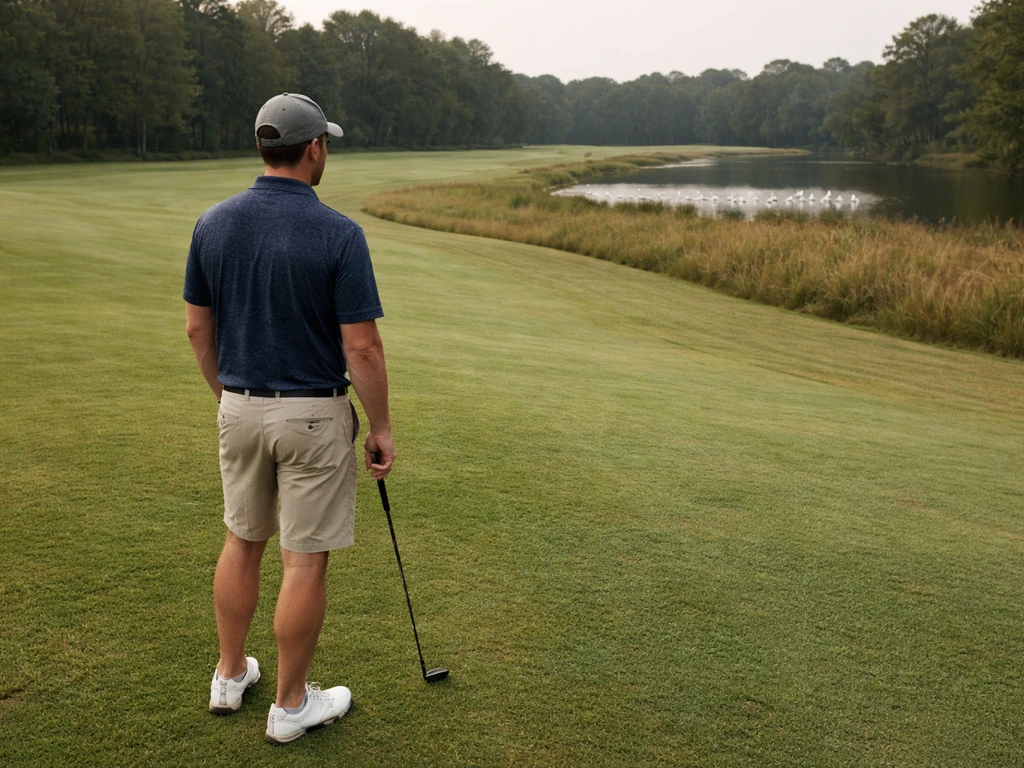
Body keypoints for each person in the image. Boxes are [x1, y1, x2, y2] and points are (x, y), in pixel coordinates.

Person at [183, 92, 395, 745]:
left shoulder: (212, 223)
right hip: (312, 417)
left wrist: (229, 398)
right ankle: (291, 704)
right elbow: (361, 348)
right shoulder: (338, 232)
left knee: (242, 541)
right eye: (324, 143)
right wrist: (381, 427)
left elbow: (197, 329)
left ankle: (228, 675)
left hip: (240, 406)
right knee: (303, 562)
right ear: (313, 148)